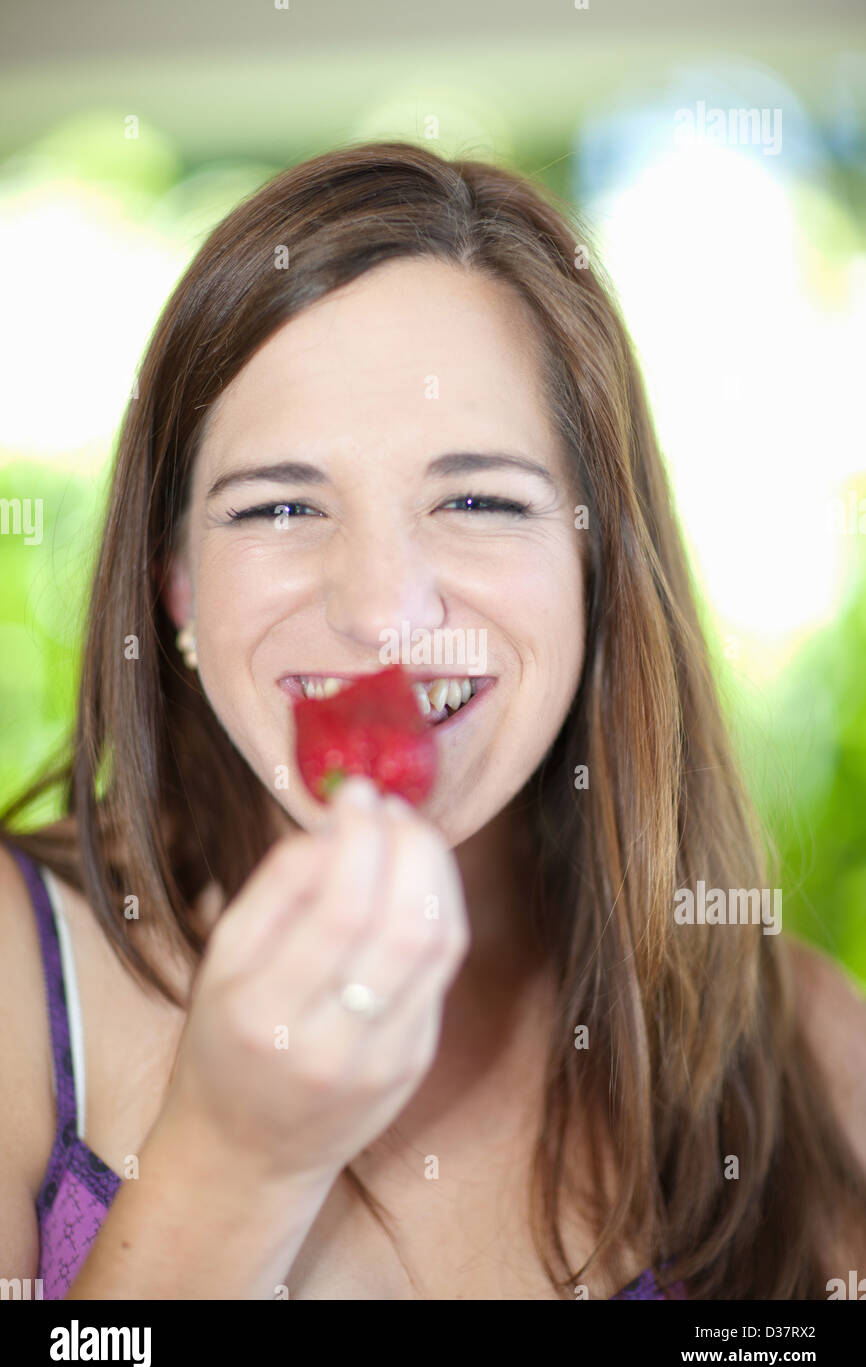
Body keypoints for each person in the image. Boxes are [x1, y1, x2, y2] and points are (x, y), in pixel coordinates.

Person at [1, 140, 864, 1301]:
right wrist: (232, 1163)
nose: (377, 613)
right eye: (279, 504)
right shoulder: (17, 977)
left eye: (475, 498)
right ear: (177, 585)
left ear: (595, 563)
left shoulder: (808, 1051)